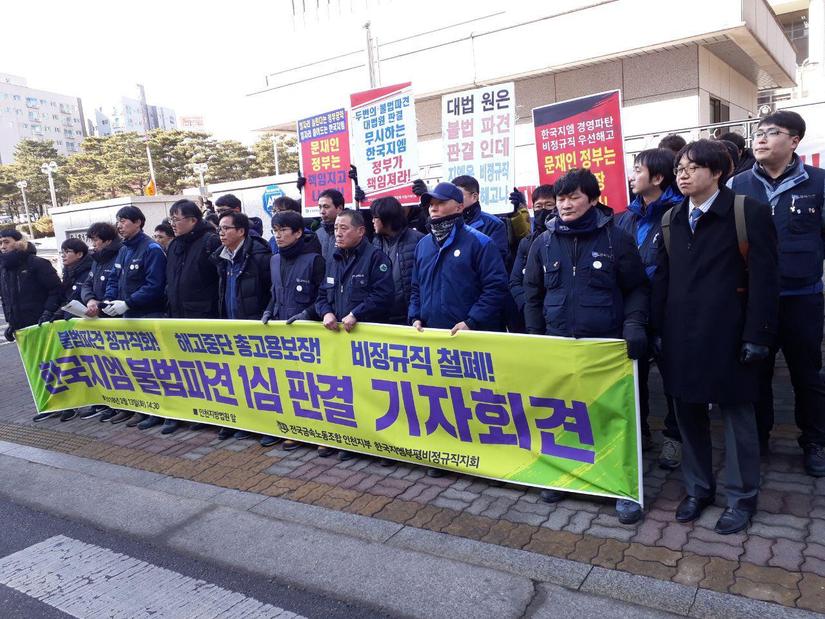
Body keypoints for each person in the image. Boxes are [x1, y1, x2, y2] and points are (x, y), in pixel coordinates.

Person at [652, 139, 779, 535]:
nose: (683, 175)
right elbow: (663, 280)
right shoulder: (672, 218)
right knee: (688, 413)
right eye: (679, 170)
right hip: (681, 335)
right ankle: (698, 489)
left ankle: (741, 498)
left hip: (730, 334)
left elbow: (765, 280)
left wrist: (757, 334)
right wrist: (658, 329)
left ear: (718, 172)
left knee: (738, 415)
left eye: (692, 168)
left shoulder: (746, 212)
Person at [523, 169, 649, 524]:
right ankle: (563, 475)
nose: (565, 204)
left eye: (574, 197)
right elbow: (532, 294)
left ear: (593, 200)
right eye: (561, 198)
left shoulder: (616, 240)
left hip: (605, 349)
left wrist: (634, 325)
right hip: (558, 345)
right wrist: (535, 337)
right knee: (563, 415)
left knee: (612, 418)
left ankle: (624, 489)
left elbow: (637, 288)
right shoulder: (543, 243)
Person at [728, 110, 825, 476]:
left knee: (808, 375)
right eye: (759, 132)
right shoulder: (739, 186)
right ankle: (759, 437)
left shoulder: (818, 183)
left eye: (772, 132)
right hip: (753, 301)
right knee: (756, 371)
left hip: (802, 297)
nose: (762, 138)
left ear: (794, 141)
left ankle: (814, 442)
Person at [615, 149, 683, 467]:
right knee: (634, 376)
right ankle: (640, 432)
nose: (632, 175)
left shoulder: (679, 213)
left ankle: (675, 437)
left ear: (657, 177)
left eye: (638, 169)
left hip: (670, 312)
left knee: (675, 380)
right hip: (634, 312)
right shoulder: (625, 218)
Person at [315, 208, 394, 458]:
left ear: (361, 231)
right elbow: (321, 294)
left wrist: (357, 313)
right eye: (336, 228)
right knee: (343, 392)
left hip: (365, 341)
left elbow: (383, 296)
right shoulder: (333, 258)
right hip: (338, 341)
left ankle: (380, 446)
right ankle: (348, 439)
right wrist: (326, 312)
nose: (337, 233)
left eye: (344, 228)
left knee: (371, 394)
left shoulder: (376, 258)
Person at [261, 209, 325, 449]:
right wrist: (268, 310)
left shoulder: (314, 260)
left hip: (307, 334)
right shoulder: (274, 259)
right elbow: (274, 293)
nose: (278, 236)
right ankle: (293, 428)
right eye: (275, 231)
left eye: (283, 230)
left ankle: (321, 432)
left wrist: (307, 314)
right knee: (288, 384)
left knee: (313, 385)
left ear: (298, 232)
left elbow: (322, 296)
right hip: (281, 334)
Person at [409, 181, 508, 336]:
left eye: (440, 203)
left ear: (459, 207)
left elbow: (496, 287)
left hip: (470, 337)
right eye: (430, 204)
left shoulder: (480, 242)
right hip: (431, 335)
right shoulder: (423, 245)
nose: (433, 208)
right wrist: (415, 317)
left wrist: (471, 321)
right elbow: (416, 288)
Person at [103, 205, 168, 428]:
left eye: (124, 221)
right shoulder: (124, 249)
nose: (120, 225)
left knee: (152, 368)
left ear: (139, 222)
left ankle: (157, 411)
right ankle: (138, 408)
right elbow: (114, 278)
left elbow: (155, 285)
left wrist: (128, 303)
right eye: (118, 221)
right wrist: (111, 300)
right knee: (134, 367)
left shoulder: (151, 249)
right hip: (127, 318)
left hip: (148, 316)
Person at [211, 210, 272, 441]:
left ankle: (265, 425)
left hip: (255, 327)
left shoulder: (259, 255)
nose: (221, 233)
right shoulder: (222, 257)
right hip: (230, 325)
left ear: (241, 231)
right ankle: (240, 420)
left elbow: (270, 292)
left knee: (261, 379)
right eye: (220, 228)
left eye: (226, 228)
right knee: (237, 377)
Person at [163, 199, 222, 435]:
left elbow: (219, 281)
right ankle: (189, 410)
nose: (173, 224)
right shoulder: (176, 245)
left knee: (208, 370)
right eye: (171, 219)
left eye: (177, 219)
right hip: (178, 315)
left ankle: (212, 413)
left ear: (193, 220)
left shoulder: (210, 242)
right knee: (184, 368)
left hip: (203, 317)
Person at [0, 230, 63, 423]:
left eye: (6, 242)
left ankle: (66, 405)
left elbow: (56, 290)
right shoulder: (4, 269)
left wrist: (47, 313)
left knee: (52, 365)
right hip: (22, 328)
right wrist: (11, 323)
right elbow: (7, 298)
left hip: (42, 324)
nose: (2, 247)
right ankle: (49, 404)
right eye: (0, 243)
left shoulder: (37, 264)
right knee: (35, 368)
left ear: (19, 242)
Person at [80, 222, 121, 421]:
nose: (93, 244)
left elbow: (119, 286)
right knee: (103, 365)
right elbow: (87, 284)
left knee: (120, 366)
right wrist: (90, 300)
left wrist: (103, 304)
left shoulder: (119, 254)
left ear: (107, 240)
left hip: (114, 317)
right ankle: (105, 402)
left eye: (96, 240)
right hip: (96, 317)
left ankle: (121, 405)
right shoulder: (96, 260)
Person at [52, 238, 93, 422]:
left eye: (67, 252)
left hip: (86, 325)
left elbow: (82, 295)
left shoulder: (88, 271)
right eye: (62, 252)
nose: (63, 256)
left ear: (79, 254)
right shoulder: (68, 272)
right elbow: (65, 297)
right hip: (71, 324)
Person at [370, 197, 424, 324]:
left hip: (410, 316)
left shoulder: (418, 240)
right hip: (382, 315)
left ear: (386, 217)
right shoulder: (375, 242)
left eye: (375, 217)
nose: (372, 221)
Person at [509, 185, 556, 320]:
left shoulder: (564, 239)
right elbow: (515, 282)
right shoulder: (526, 242)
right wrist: (529, 307)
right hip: (532, 315)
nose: (543, 210)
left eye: (548, 205)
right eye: (538, 206)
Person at [451, 175, 509, 263]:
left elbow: (494, 261)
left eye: (458, 195)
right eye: (451, 197)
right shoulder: (447, 223)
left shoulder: (494, 225)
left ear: (474, 197)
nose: (453, 201)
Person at [315, 189, 345, 260]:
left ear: (339, 208)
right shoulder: (318, 234)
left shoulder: (350, 233)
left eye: (326, 207)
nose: (322, 211)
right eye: (320, 207)